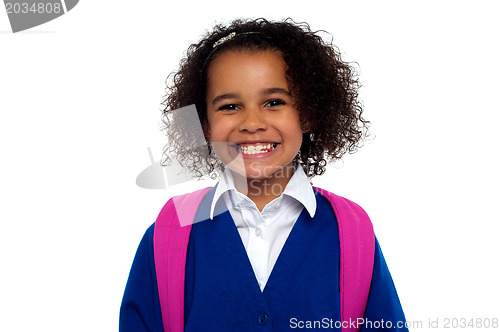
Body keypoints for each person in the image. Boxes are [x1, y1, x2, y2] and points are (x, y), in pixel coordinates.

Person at [120, 18, 408, 331]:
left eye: (274, 102)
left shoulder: (351, 232)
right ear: (204, 124)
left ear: (308, 112)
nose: (252, 122)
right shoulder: (170, 232)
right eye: (230, 106)